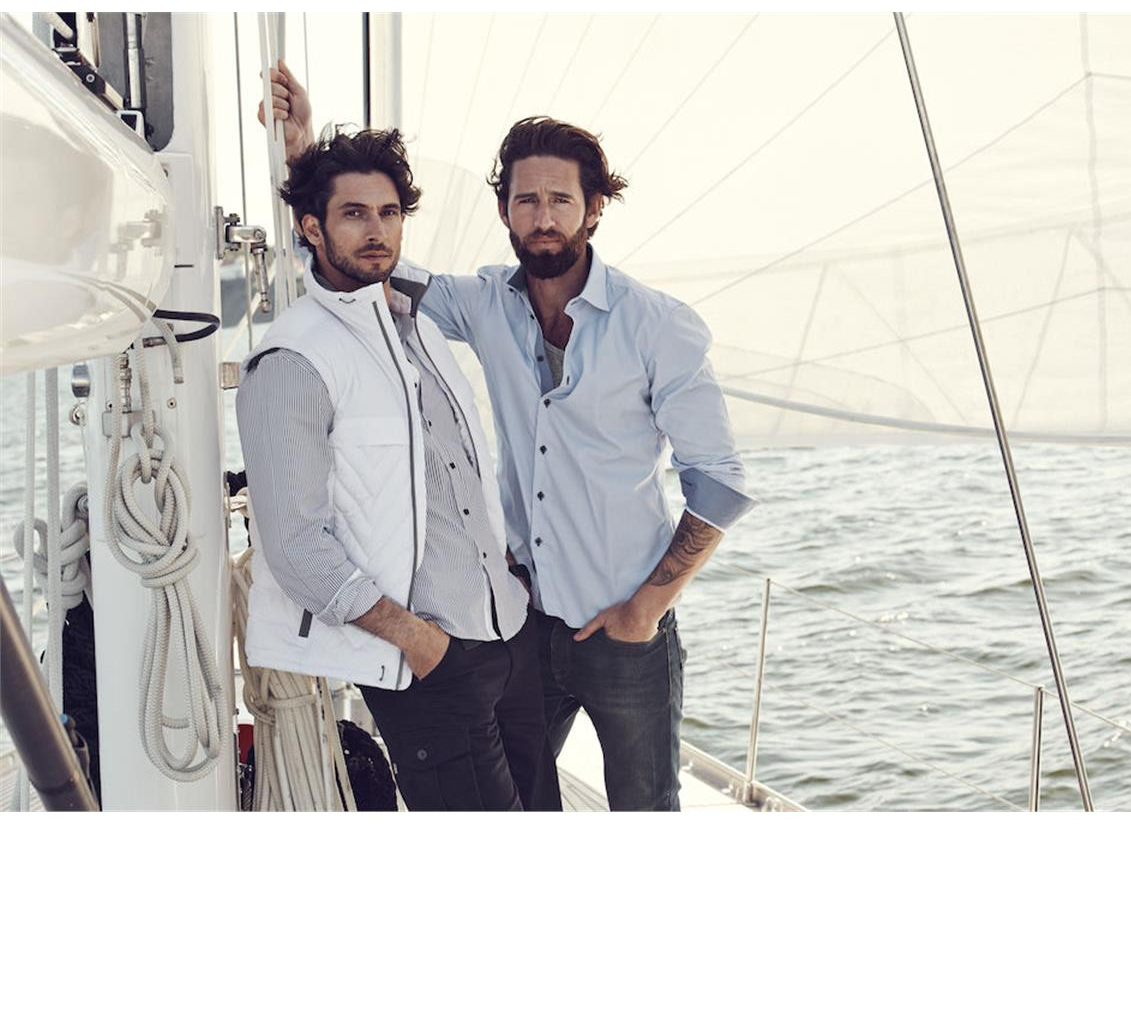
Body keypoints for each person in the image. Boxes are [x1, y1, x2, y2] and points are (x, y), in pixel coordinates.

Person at [264, 65, 754, 811]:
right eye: (527, 200)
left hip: (625, 632)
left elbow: (719, 483)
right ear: (505, 210)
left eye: (561, 200)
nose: (543, 217)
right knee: (524, 802)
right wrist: (303, 154)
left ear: (594, 209)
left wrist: (645, 611)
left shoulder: (658, 326)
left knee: (645, 811)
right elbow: (362, 265)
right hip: (525, 625)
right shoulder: (484, 303)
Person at [236, 124, 560, 811]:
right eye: (354, 214)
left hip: (507, 633)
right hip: (429, 665)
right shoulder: (293, 359)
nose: (376, 231)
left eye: (389, 213)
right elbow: (295, 547)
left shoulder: (419, 325)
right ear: (312, 229)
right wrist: (418, 643)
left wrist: (513, 586)